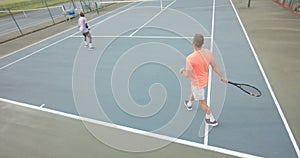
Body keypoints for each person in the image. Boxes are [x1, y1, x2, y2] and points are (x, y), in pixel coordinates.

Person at [180, 33, 228, 127]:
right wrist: (222, 76)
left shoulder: (190, 59)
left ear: (193, 43)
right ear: (203, 43)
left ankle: (211, 119)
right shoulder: (208, 53)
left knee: (202, 102)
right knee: (193, 91)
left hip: (197, 83)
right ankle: (189, 103)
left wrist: (182, 71)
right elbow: (214, 66)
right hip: (204, 80)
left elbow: (187, 75)